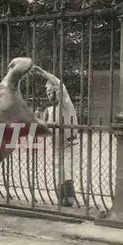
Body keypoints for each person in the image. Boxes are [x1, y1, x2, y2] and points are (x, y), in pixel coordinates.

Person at [33, 66, 79, 207]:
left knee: (67, 171)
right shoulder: (49, 110)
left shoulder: (66, 104)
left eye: (52, 92)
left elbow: (61, 85)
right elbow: (45, 129)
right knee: (58, 171)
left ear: (58, 93)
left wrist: (43, 73)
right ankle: (62, 198)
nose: (49, 96)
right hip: (57, 146)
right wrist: (39, 120)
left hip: (70, 145)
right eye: (47, 93)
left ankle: (69, 198)